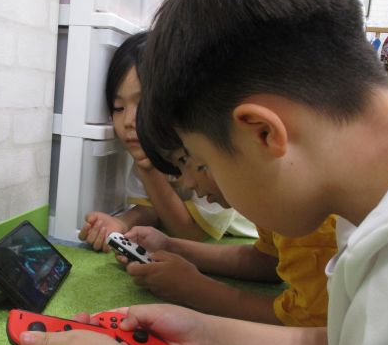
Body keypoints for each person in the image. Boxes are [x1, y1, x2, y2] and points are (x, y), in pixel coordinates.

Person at [14, 0, 388, 345]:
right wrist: (206, 336)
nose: (199, 183)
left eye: (203, 162)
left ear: (262, 133)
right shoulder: (369, 209)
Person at [116, 125, 336, 326]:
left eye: (187, 159)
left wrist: (196, 290)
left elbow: (308, 323)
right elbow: (269, 260)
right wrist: (170, 246)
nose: (188, 182)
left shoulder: (297, 206)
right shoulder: (266, 200)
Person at [78, 32, 256, 252]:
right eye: (118, 108)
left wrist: (148, 169)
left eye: (142, 105)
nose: (129, 121)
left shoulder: (204, 152)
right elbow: (153, 208)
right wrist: (121, 222)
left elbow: (192, 233)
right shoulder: (148, 153)